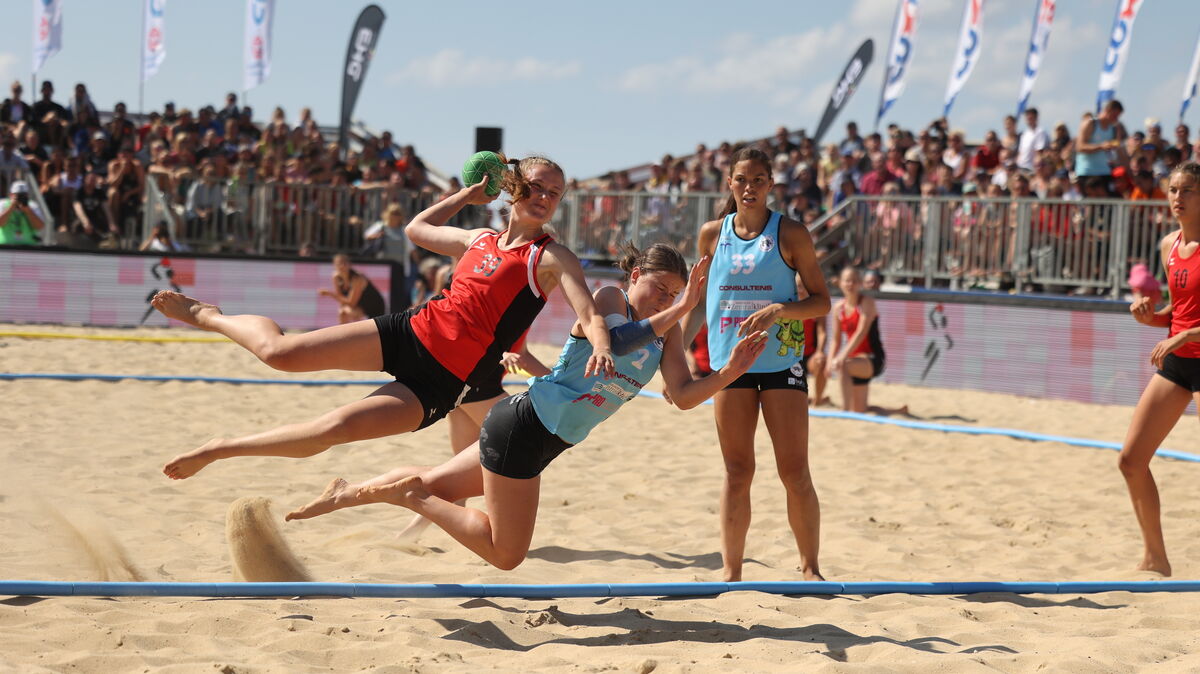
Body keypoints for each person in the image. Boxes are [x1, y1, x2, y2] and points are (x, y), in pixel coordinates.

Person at [286, 245, 769, 571]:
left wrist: (730, 372)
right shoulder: (609, 297)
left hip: (539, 437)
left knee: (435, 482)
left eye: (673, 292)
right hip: (523, 426)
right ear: (636, 275)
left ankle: (346, 493)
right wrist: (684, 305)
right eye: (659, 288)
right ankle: (410, 497)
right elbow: (617, 344)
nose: (665, 298)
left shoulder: (668, 330)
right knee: (505, 554)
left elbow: (683, 396)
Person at [155, 156, 616, 480]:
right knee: (280, 353)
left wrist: (600, 344)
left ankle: (219, 450)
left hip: (443, 381)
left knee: (332, 431)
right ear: (514, 188)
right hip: (409, 331)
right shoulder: (480, 238)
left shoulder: (551, 256)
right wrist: (467, 194)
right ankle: (210, 316)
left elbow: (590, 312)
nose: (545, 197)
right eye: (536, 186)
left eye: (554, 193)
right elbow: (416, 229)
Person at [682, 147, 831, 582]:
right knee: (736, 471)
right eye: (742, 179)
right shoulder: (712, 235)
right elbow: (697, 306)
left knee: (794, 470)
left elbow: (821, 301)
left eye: (759, 179)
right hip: (730, 367)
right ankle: (731, 571)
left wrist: (780, 310)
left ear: (771, 184)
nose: (750, 187)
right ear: (729, 183)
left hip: (781, 361)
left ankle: (810, 568)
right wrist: (670, 350)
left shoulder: (791, 233)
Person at [1120, 161, 1200, 576]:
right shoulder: (1170, 245)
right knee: (1131, 461)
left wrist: (1183, 335)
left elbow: (1186, 327)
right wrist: (1149, 318)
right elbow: (1178, 313)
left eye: (1187, 191)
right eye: (1173, 190)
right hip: (1179, 360)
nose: (1177, 198)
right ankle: (1156, 557)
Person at [827, 266, 907, 416]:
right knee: (860, 410)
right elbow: (835, 340)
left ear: (860, 284)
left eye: (854, 281)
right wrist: (829, 360)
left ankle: (844, 412)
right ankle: (898, 411)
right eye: (847, 281)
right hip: (855, 360)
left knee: (842, 365)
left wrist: (841, 357)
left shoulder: (866, 302)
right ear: (840, 283)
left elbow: (861, 332)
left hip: (872, 358)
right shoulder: (838, 308)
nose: (850, 284)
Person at [319, 253, 387, 323]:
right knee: (342, 312)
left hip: (375, 307)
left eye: (344, 263)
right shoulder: (336, 277)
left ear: (349, 264)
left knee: (346, 311)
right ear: (334, 265)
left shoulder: (357, 278)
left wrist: (329, 293)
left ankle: (356, 331)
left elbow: (351, 303)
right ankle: (344, 333)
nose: (342, 266)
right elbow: (341, 298)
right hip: (361, 307)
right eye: (339, 263)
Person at [0, 180, 45, 246]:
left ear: (27, 195)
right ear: (11, 195)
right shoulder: (3, 204)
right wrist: (11, 207)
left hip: (28, 248)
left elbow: (39, 226)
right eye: (18, 195)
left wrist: (28, 210)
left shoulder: (32, 206)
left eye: (23, 195)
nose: (20, 198)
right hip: (5, 247)